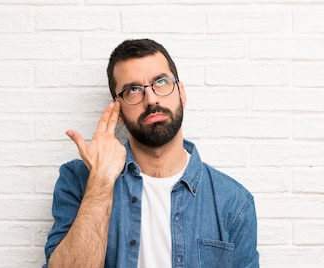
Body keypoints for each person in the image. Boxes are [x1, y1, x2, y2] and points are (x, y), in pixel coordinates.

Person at [43, 39, 259, 268]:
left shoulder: (234, 202)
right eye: (133, 90)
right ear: (119, 112)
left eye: (161, 82)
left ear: (181, 93)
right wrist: (101, 181)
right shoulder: (79, 180)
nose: (152, 99)